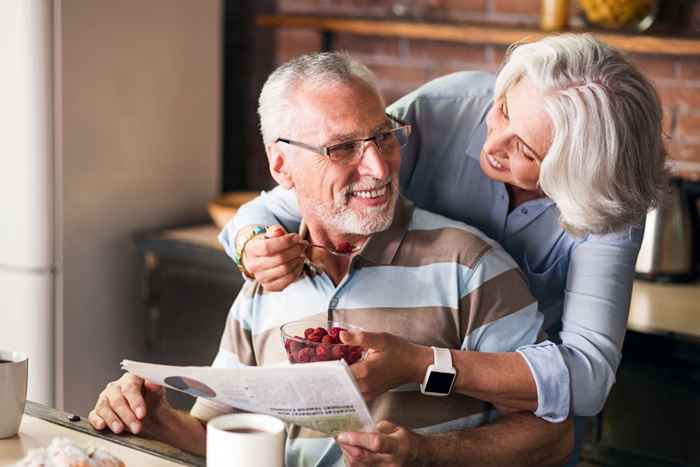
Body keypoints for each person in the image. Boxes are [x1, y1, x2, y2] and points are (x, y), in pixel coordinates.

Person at [88, 52, 573, 466]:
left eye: (383, 136)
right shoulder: (264, 280)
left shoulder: (470, 266)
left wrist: (428, 453)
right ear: (281, 165)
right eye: (342, 148)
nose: (379, 167)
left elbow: (553, 435)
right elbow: (224, 442)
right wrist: (157, 420)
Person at [226, 33, 667, 461]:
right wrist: (251, 244)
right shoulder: (443, 110)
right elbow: (304, 187)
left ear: (577, 173)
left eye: (526, 150)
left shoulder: (608, 200)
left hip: (528, 403)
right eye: (503, 112)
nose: (492, 144)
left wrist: (421, 365)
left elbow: (587, 381)